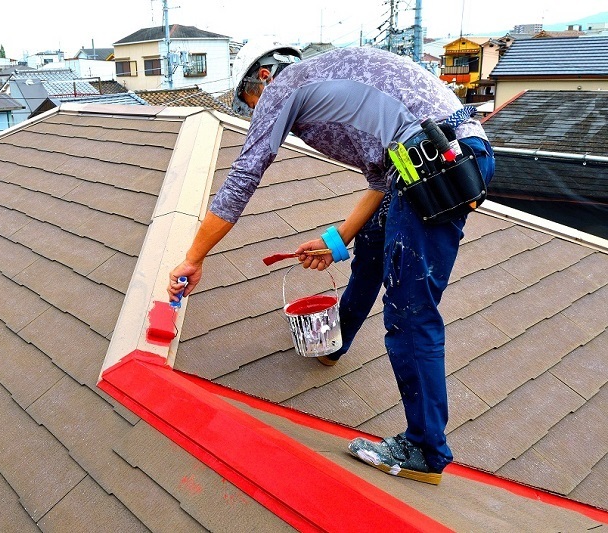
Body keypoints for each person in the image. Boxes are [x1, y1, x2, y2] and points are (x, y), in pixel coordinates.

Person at [167, 42, 495, 485]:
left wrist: (193, 258)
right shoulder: (336, 75)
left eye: (252, 106)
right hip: (434, 161)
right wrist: (336, 241)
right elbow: (384, 180)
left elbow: (245, 174)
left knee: (410, 314)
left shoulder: (286, 85)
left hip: (436, 166)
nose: (260, 117)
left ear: (263, 78)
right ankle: (334, 343)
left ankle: (424, 447)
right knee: (373, 250)